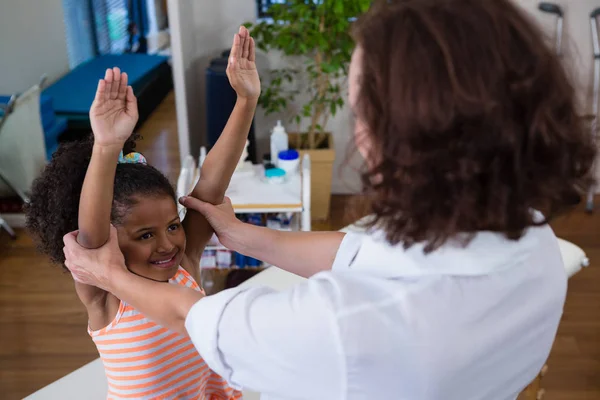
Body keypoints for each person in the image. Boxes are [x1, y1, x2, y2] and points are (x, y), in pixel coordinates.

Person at [62, 1, 597, 399]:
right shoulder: (534, 241)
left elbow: (198, 316)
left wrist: (110, 274)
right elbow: (361, 251)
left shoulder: (343, 331)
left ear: (411, 136)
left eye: (361, 114)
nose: (356, 138)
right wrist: (241, 230)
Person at [27, 26, 260, 400]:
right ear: (112, 243)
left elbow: (211, 185)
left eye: (172, 226)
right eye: (145, 235)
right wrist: (106, 144)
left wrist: (246, 101)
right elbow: (92, 235)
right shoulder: (104, 291)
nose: (168, 243)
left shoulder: (185, 266)